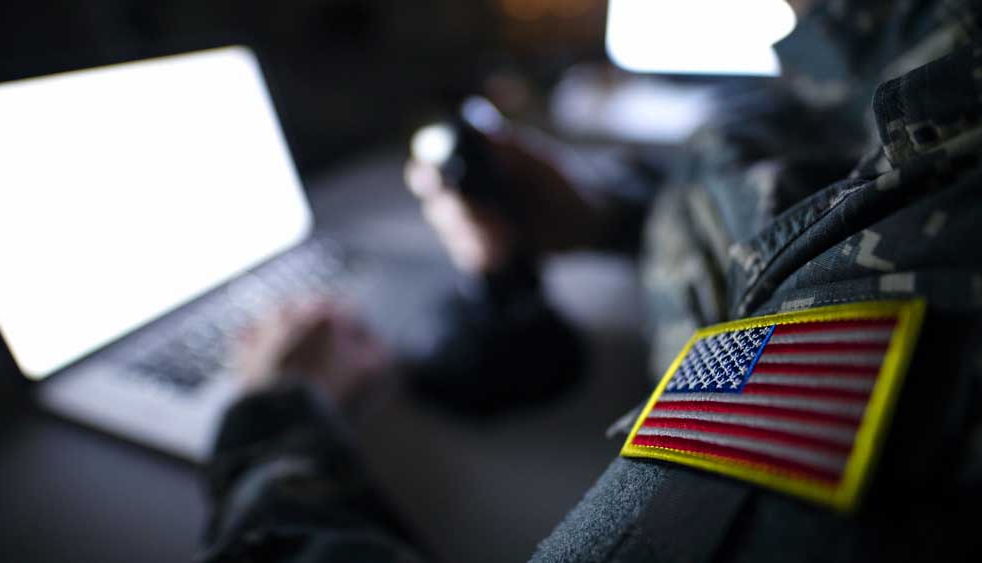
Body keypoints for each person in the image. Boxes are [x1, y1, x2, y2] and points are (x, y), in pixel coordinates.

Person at [199, 0, 982, 561]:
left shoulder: (938, 259)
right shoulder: (906, 34)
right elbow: (833, 163)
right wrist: (608, 213)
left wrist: (272, 427)